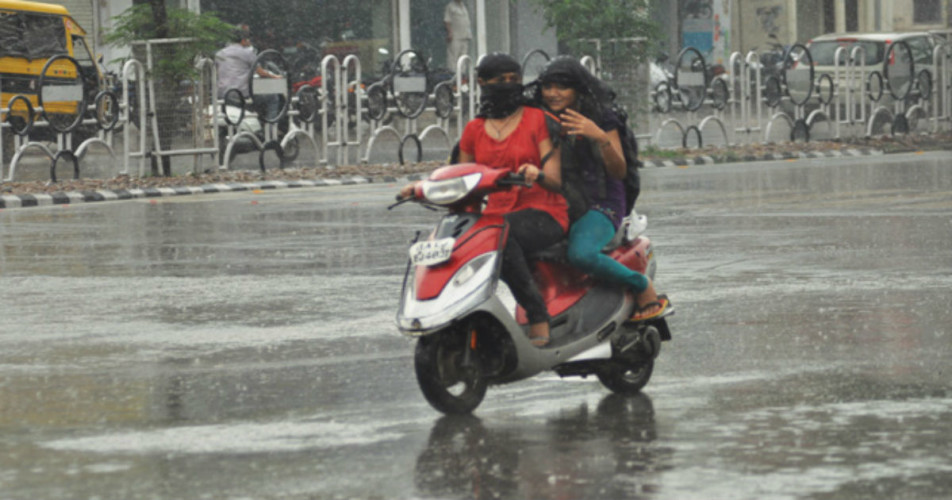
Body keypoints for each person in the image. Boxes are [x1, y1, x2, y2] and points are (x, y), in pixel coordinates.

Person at [401, 53, 567, 347]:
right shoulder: (473, 130)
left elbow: (555, 178)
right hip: (493, 217)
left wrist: (536, 174)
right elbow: (459, 176)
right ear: (481, 83)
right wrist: (421, 186)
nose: (508, 85)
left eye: (514, 80)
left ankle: (537, 314)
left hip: (544, 212)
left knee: (500, 236)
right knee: (460, 242)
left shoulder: (537, 119)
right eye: (500, 80)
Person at [535, 56, 668, 322]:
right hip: (560, 198)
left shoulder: (602, 117)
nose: (553, 94)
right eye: (548, 87)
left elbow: (618, 171)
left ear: (578, 89)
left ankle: (641, 286)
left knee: (580, 254)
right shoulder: (541, 117)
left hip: (602, 200)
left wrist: (598, 136)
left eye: (562, 87)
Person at [215, 27, 282, 121]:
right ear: (243, 40)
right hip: (241, 93)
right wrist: (275, 76)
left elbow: (218, 73)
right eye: (248, 39)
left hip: (223, 94)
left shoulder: (220, 53)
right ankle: (270, 130)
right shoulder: (247, 53)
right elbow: (261, 73)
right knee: (273, 98)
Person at [444, 0, 472, 70]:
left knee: (463, 58)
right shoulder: (450, 6)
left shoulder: (463, 6)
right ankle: (452, 75)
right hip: (455, 37)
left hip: (464, 36)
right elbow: (447, 21)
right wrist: (450, 33)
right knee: (453, 58)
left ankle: (462, 76)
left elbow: (466, 20)